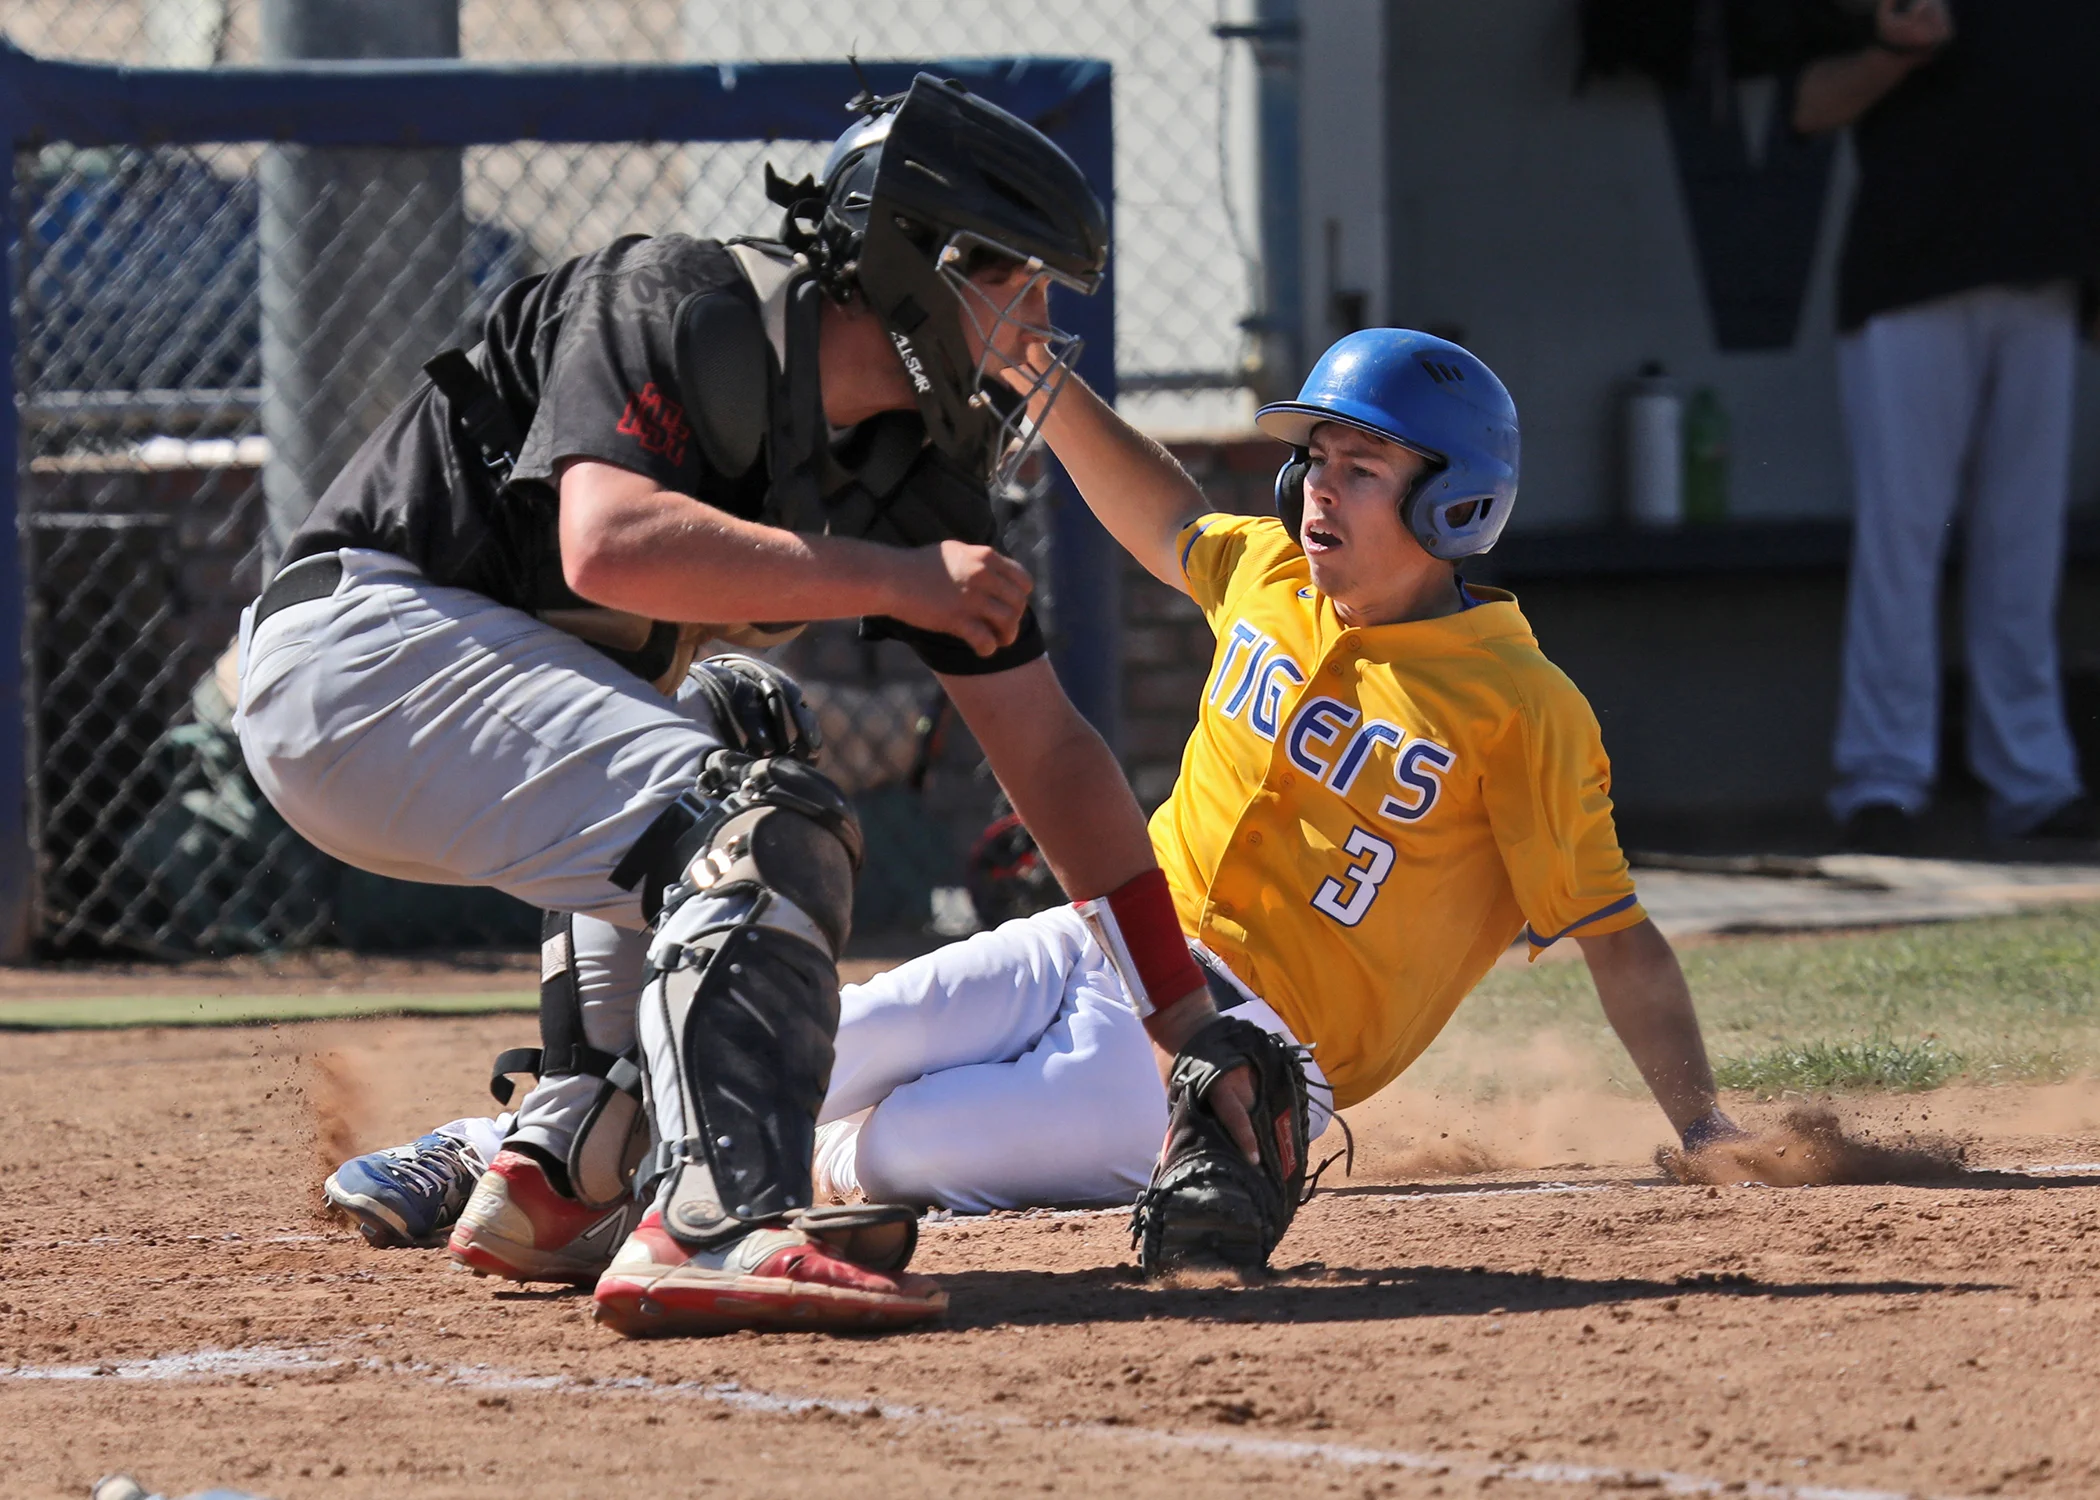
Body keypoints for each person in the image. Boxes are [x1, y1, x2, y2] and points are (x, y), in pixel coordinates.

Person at [330, 328, 1743, 1231]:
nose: (1315, 490)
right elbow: (1169, 512)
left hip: (1248, 1064)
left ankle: (644, 1185)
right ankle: (499, 1149)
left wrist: (1708, 1130)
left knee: (898, 1153)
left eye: (1362, 465)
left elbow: (1614, 937)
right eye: (1313, 458)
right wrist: (1039, 380)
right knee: (828, 1033)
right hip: (1108, 945)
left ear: (1457, 505)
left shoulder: (1524, 707)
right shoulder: (1269, 581)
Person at [251, 72, 1238, 1338]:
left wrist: (1186, 1018)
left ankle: (569, 1164)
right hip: (357, 662)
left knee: (737, 743)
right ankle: (716, 1221)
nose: (1036, 331)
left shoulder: (909, 463)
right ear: (919, 265)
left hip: (456, 710)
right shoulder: (677, 295)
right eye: (1019, 285)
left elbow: (1047, 748)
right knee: (759, 818)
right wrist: (898, 581)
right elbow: (610, 544)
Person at [1795, 0, 2100, 853]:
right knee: (1904, 537)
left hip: (2046, 286)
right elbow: (1808, 104)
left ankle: (2034, 782)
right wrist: (1897, 50)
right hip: (1909, 281)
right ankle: (1880, 779)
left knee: (2026, 546)